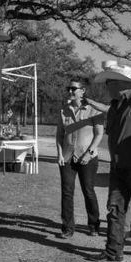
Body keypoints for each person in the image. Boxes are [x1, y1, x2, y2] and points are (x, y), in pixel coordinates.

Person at [89, 63, 131, 261]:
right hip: (118, 167)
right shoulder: (115, 106)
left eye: (110, 82)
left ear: (122, 83)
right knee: (114, 208)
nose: (107, 87)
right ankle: (113, 251)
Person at [56, 80, 104, 239]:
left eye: (73, 89)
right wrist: (60, 154)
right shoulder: (64, 110)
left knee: (88, 191)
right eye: (68, 88)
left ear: (82, 91)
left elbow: (99, 134)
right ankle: (67, 227)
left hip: (87, 157)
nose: (70, 91)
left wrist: (89, 153)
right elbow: (59, 135)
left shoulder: (93, 110)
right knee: (67, 192)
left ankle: (93, 224)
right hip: (68, 157)